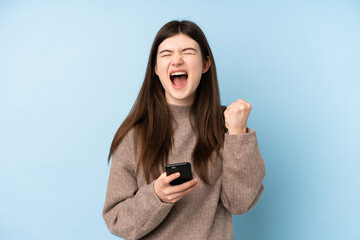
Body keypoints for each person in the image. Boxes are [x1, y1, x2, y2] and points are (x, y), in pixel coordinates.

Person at [103, 20, 265, 240]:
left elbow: (239, 203)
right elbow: (117, 221)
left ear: (205, 64)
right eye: (166, 53)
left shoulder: (228, 125)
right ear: (156, 69)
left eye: (187, 52)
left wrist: (238, 135)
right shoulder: (134, 134)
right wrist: (157, 196)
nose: (177, 59)